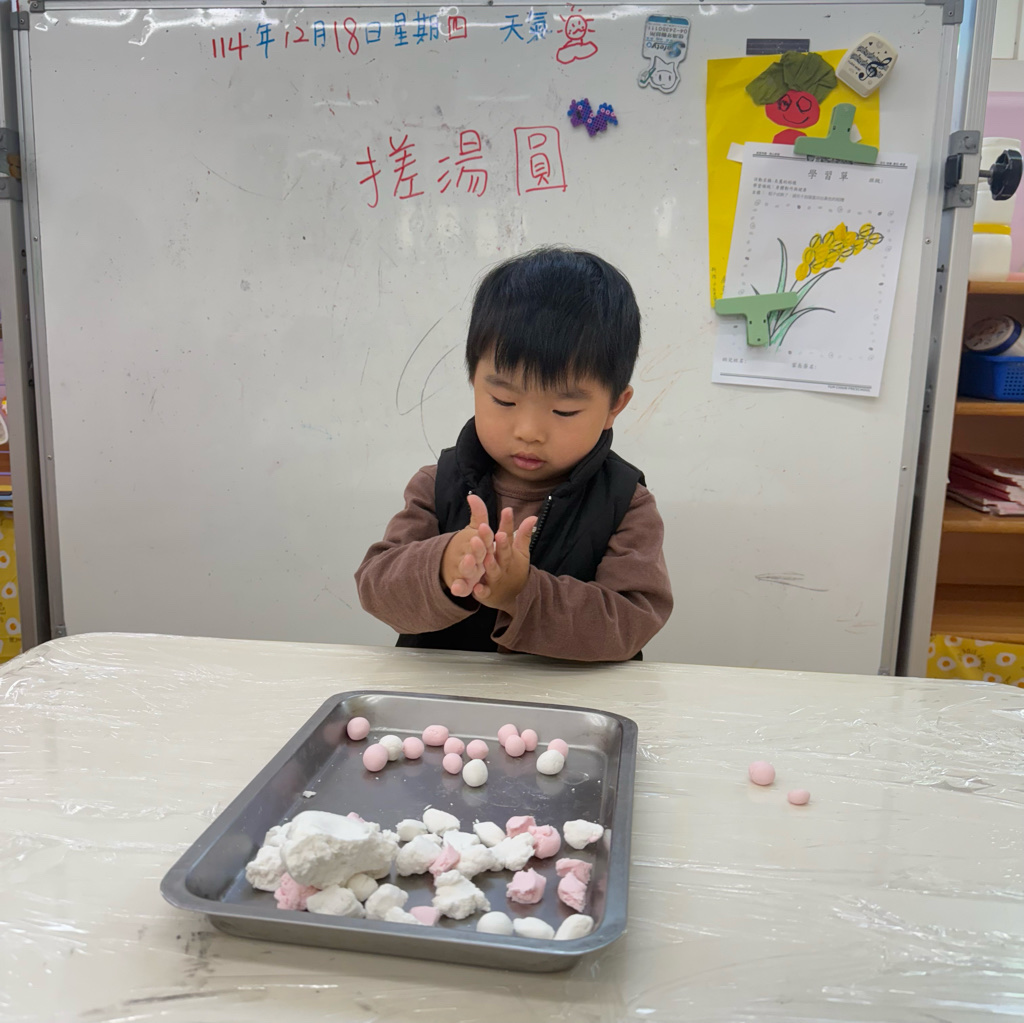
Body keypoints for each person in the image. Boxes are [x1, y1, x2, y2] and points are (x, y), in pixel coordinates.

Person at [355, 247, 673, 661]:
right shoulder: (437, 485)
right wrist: (443, 564)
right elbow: (377, 589)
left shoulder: (626, 504)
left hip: (568, 697)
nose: (528, 432)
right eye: (504, 401)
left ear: (615, 405)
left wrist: (521, 593)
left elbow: (629, 623)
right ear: (474, 382)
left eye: (564, 411)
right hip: (441, 694)